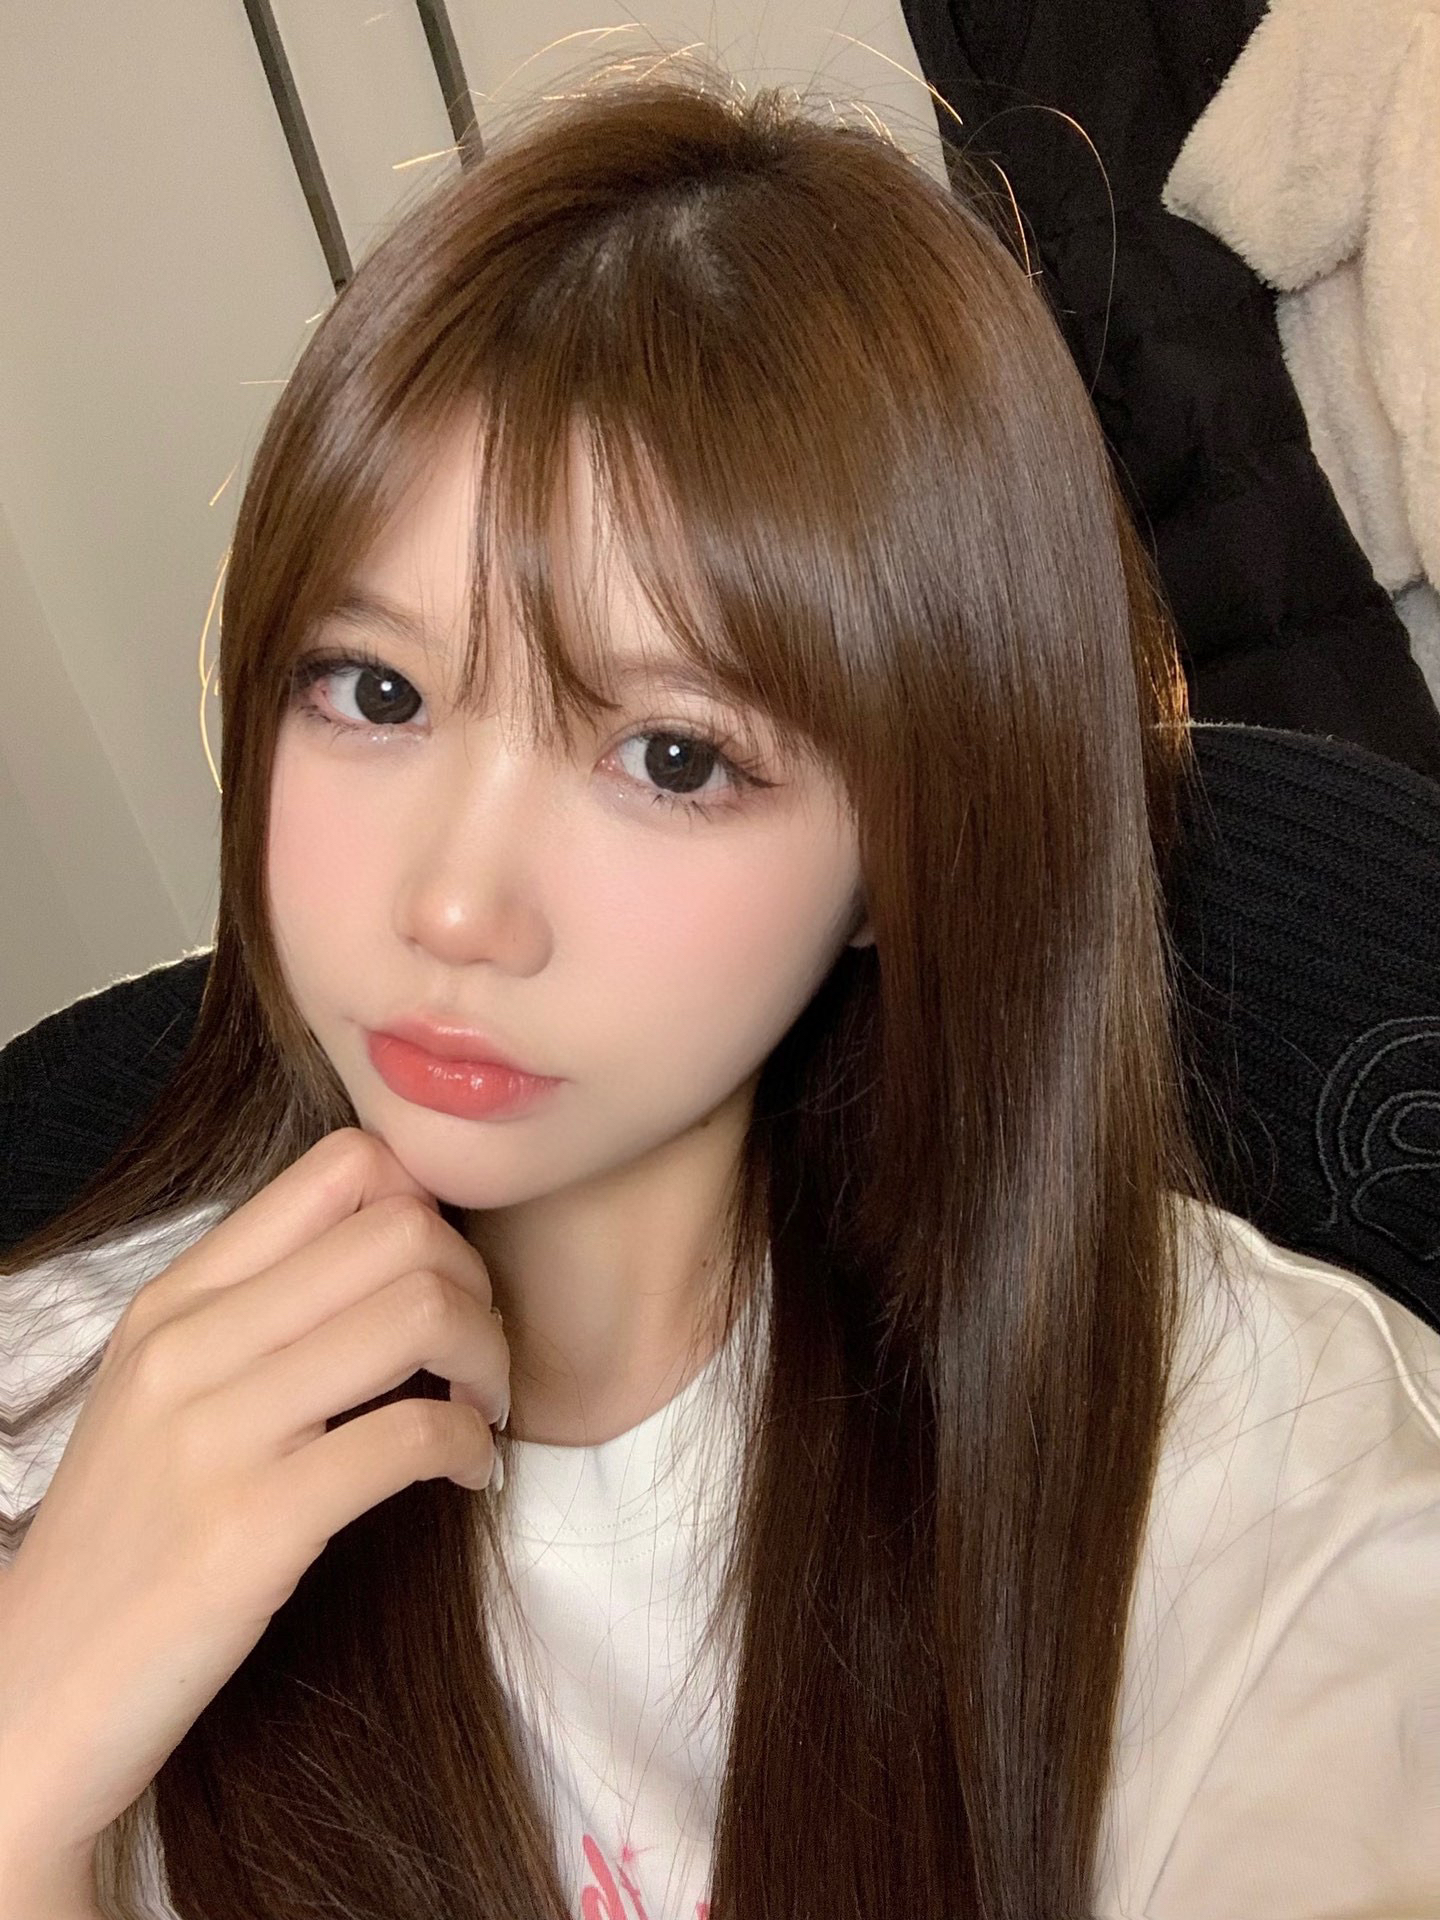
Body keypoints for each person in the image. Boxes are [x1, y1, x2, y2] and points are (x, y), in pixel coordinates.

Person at [1, 48, 1437, 1920]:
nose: (456, 905)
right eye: (376, 690)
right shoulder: (57, 1409)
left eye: (671, 757)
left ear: (907, 843)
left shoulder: (1243, 1482)